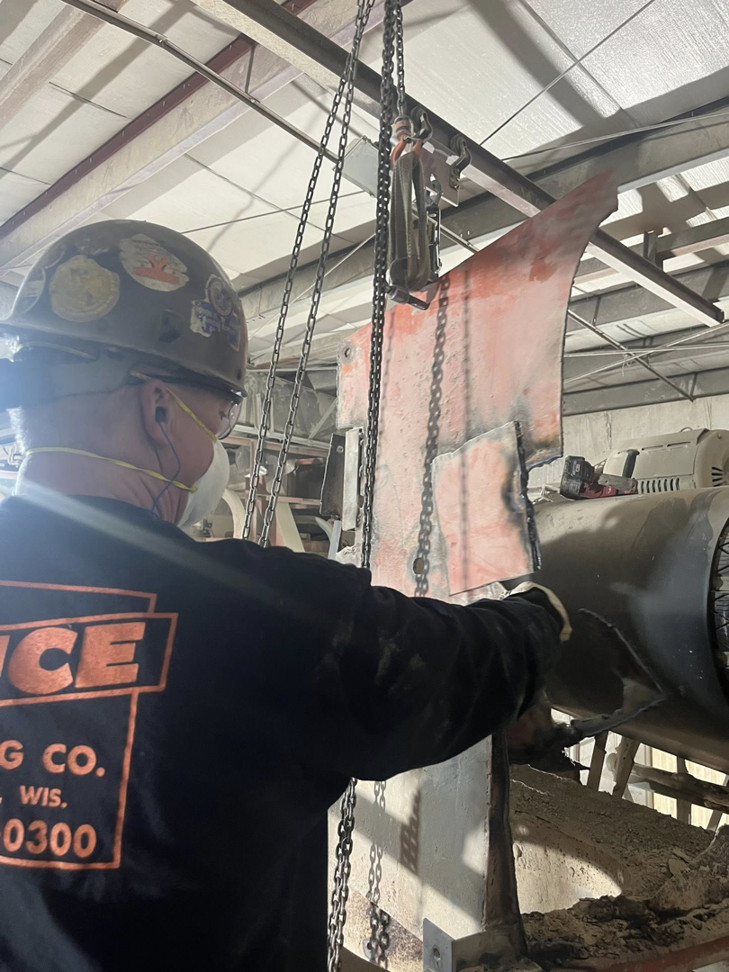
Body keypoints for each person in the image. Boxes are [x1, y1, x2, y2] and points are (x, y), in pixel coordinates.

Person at [0, 221, 568, 972]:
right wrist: (540, 619)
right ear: (159, 408)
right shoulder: (254, 615)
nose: (214, 449)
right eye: (220, 417)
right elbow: (440, 673)